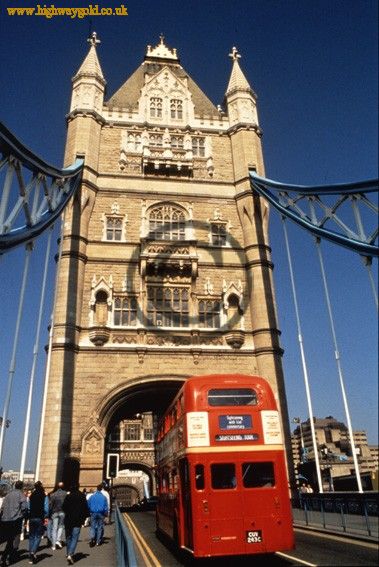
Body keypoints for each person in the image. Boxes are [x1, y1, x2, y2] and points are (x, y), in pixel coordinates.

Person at [0, 480, 28, 566]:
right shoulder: (21, 495)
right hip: (16, 520)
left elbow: (2, 507)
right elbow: (24, 507)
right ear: (21, 486)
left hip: (5, 520)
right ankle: (10, 555)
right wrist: (23, 515)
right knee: (14, 538)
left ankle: (5, 555)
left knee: (5, 538)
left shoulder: (8, 495)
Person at [62, 484, 89, 565]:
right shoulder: (82, 496)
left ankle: (68, 553)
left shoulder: (68, 496)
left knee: (68, 537)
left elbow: (63, 507)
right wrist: (84, 518)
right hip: (78, 520)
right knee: (75, 537)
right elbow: (85, 508)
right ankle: (71, 554)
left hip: (68, 520)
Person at [28, 481, 49, 565]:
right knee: (38, 536)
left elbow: (29, 507)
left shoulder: (31, 496)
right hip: (39, 518)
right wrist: (46, 516)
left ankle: (30, 557)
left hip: (32, 517)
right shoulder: (44, 496)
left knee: (31, 537)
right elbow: (46, 508)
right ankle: (33, 552)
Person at [49, 481, 67, 550]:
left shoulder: (53, 494)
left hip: (54, 512)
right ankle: (58, 540)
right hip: (62, 512)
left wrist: (49, 513)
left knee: (54, 528)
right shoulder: (65, 494)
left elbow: (50, 505)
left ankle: (53, 545)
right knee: (61, 526)